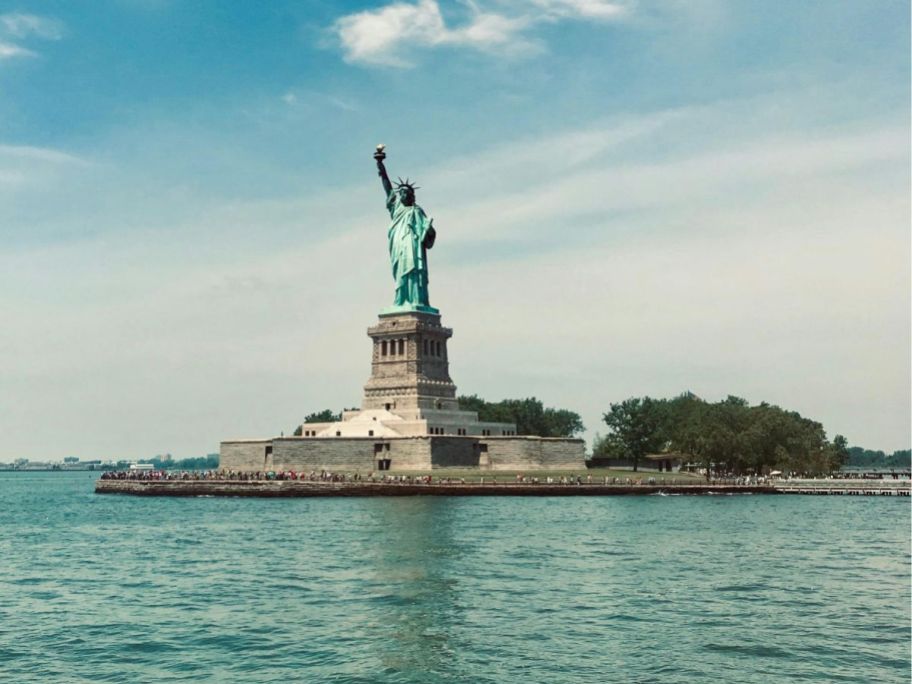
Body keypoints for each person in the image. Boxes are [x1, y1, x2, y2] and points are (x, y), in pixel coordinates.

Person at [374, 146, 436, 308]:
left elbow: (428, 234)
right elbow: (386, 185)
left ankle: (417, 300)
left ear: (411, 196)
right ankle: (401, 300)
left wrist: (428, 230)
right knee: (401, 271)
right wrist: (380, 165)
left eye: (406, 193)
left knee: (415, 271)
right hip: (399, 244)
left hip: (414, 245)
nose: (402, 194)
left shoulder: (417, 210)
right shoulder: (396, 207)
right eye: (400, 192)